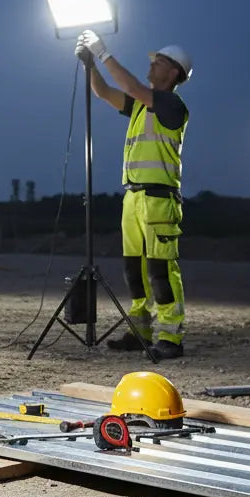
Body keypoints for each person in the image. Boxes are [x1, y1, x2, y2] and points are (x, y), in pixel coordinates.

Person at [76, 29, 193, 359]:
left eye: (158, 62)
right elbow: (103, 92)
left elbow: (130, 87)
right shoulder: (142, 106)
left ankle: (170, 337)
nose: (151, 65)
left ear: (174, 72)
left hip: (159, 198)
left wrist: (102, 52)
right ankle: (140, 331)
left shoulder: (171, 104)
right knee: (135, 270)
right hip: (134, 197)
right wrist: (89, 66)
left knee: (161, 270)